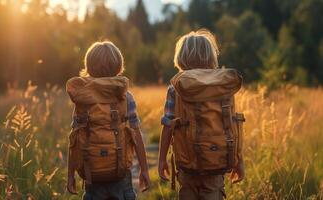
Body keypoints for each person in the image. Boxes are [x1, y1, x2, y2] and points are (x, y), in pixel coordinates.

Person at [158, 29, 245, 200]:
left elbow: (168, 126)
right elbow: (232, 127)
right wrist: (238, 161)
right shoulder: (223, 87)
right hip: (216, 163)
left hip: (187, 163)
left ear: (181, 58)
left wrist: (162, 160)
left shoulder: (176, 88)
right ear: (211, 57)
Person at [66, 41, 150, 200]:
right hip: (120, 174)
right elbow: (136, 134)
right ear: (119, 68)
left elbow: (74, 139)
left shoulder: (83, 100)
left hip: (92, 173)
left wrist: (70, 175)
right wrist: (144, 169)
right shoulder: (125, 97)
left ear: (88, 68)